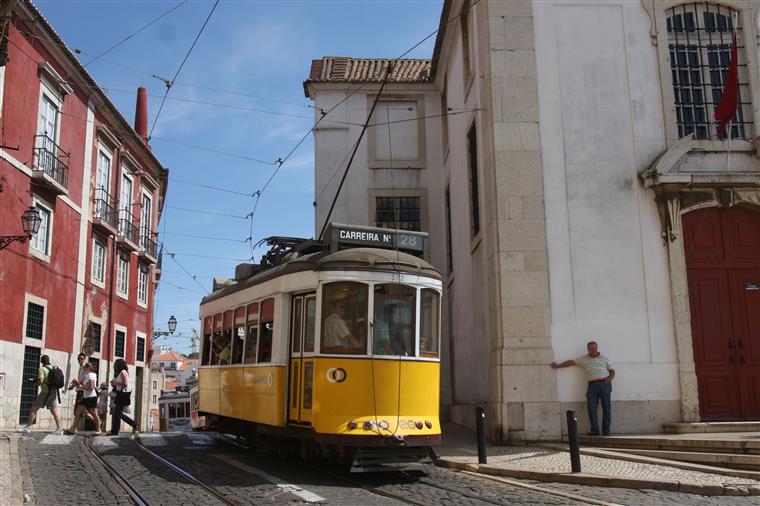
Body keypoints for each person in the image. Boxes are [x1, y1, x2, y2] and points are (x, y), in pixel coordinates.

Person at [551, 341, 615, 436]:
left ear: (597, 348)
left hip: (604, 384)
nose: (592, 350)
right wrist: (558, 366)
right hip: (592, 385)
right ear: (587, 349)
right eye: (590, 348)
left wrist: (609, 379)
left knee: (606, 408)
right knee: (591, 408)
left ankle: (606, 430)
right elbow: (571, 362)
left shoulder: (604, 358)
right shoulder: (583, 359)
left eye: (594, 348)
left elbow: (612, 370)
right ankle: (595, 430)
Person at [18, 354, 63, 434]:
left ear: (41, 361)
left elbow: (41, 381)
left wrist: (35, 384)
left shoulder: (41, 369)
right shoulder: (53, 368)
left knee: (34, 409)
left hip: (45, 392)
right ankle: (59, 429)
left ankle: (27, 427)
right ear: (48, 360)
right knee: (54, 410)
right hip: (53, 391)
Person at [64, 362, 100, 435]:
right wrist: (77, 385)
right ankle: (73, 429)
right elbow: (86, 386)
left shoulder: (91, 375)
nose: (83, 370)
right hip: (86, 397)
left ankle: (98, 429)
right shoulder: (88, 376)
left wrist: (80, 386)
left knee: (94, 414)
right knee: (78, 412)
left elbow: (91, 388)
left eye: (84, 368)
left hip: (91, 397)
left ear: (87, 368)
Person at [110, 358, 138, 435]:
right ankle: (114, 431)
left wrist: (116, 383)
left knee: (119, 414)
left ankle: (134, 424)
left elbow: (125, 384)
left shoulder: (123, 372)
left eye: (116, 364)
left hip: (122, 394)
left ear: (119, 365)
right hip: (120, 393)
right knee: (116, 414)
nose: (115, 366)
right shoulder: (122, 372)